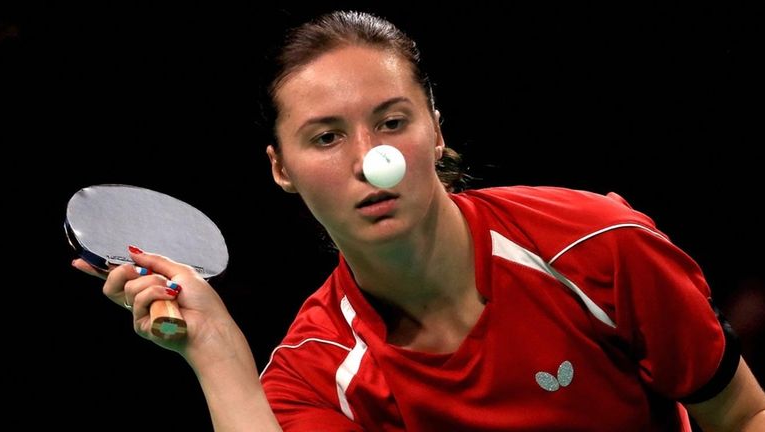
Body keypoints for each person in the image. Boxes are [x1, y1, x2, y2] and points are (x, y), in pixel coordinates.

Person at [72, 10, 765, 431]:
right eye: (325, 137)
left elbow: (741, 415)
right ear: (280, 168)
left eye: (392, 122)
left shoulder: (597, 247)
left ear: (436, 131)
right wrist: (215, 348)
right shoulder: (317, 373)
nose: (371, 159)